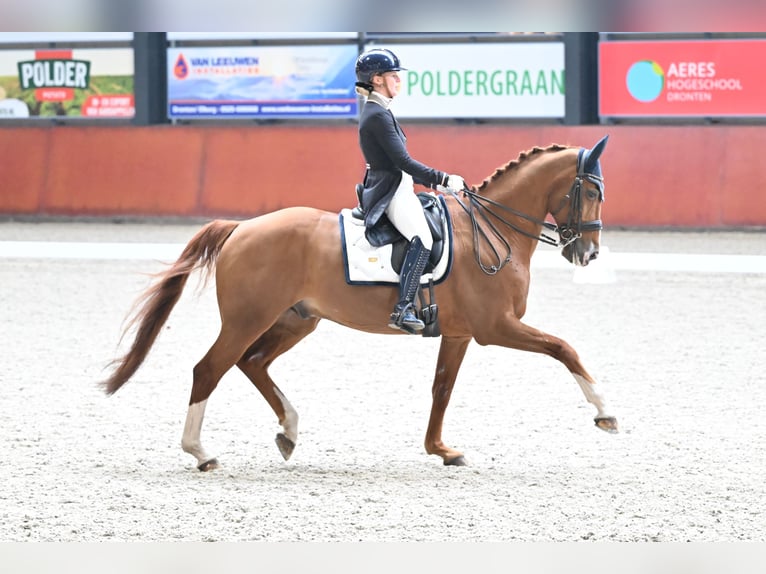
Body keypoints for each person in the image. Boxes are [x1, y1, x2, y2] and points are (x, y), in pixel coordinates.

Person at [354, 47, 465, 334]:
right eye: (393, 76)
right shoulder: (377, 114)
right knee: (423, 238)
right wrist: (442, 178)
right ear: (377, 79)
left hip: (397, 183)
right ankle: (403, 308)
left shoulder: (381, 110)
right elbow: (402, 161)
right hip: (390, 189)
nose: (398, 81)